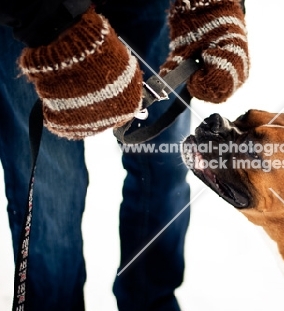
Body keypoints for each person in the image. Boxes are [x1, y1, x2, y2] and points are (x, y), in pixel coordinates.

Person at [0, 0, 249, 310]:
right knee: (51, 195)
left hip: (153, 7)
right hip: (30, 23)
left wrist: (215, 6)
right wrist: (53, 26)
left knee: (163, 166)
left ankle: (151, 302)